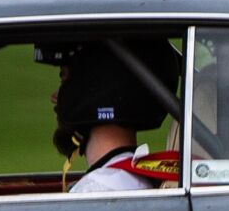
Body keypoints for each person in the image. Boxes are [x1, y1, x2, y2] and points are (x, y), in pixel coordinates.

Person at [51, 44, 180, 193]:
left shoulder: (94, 191)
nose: (54, 97)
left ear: (95, 89)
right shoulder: (136, 177)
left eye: (64, 80)